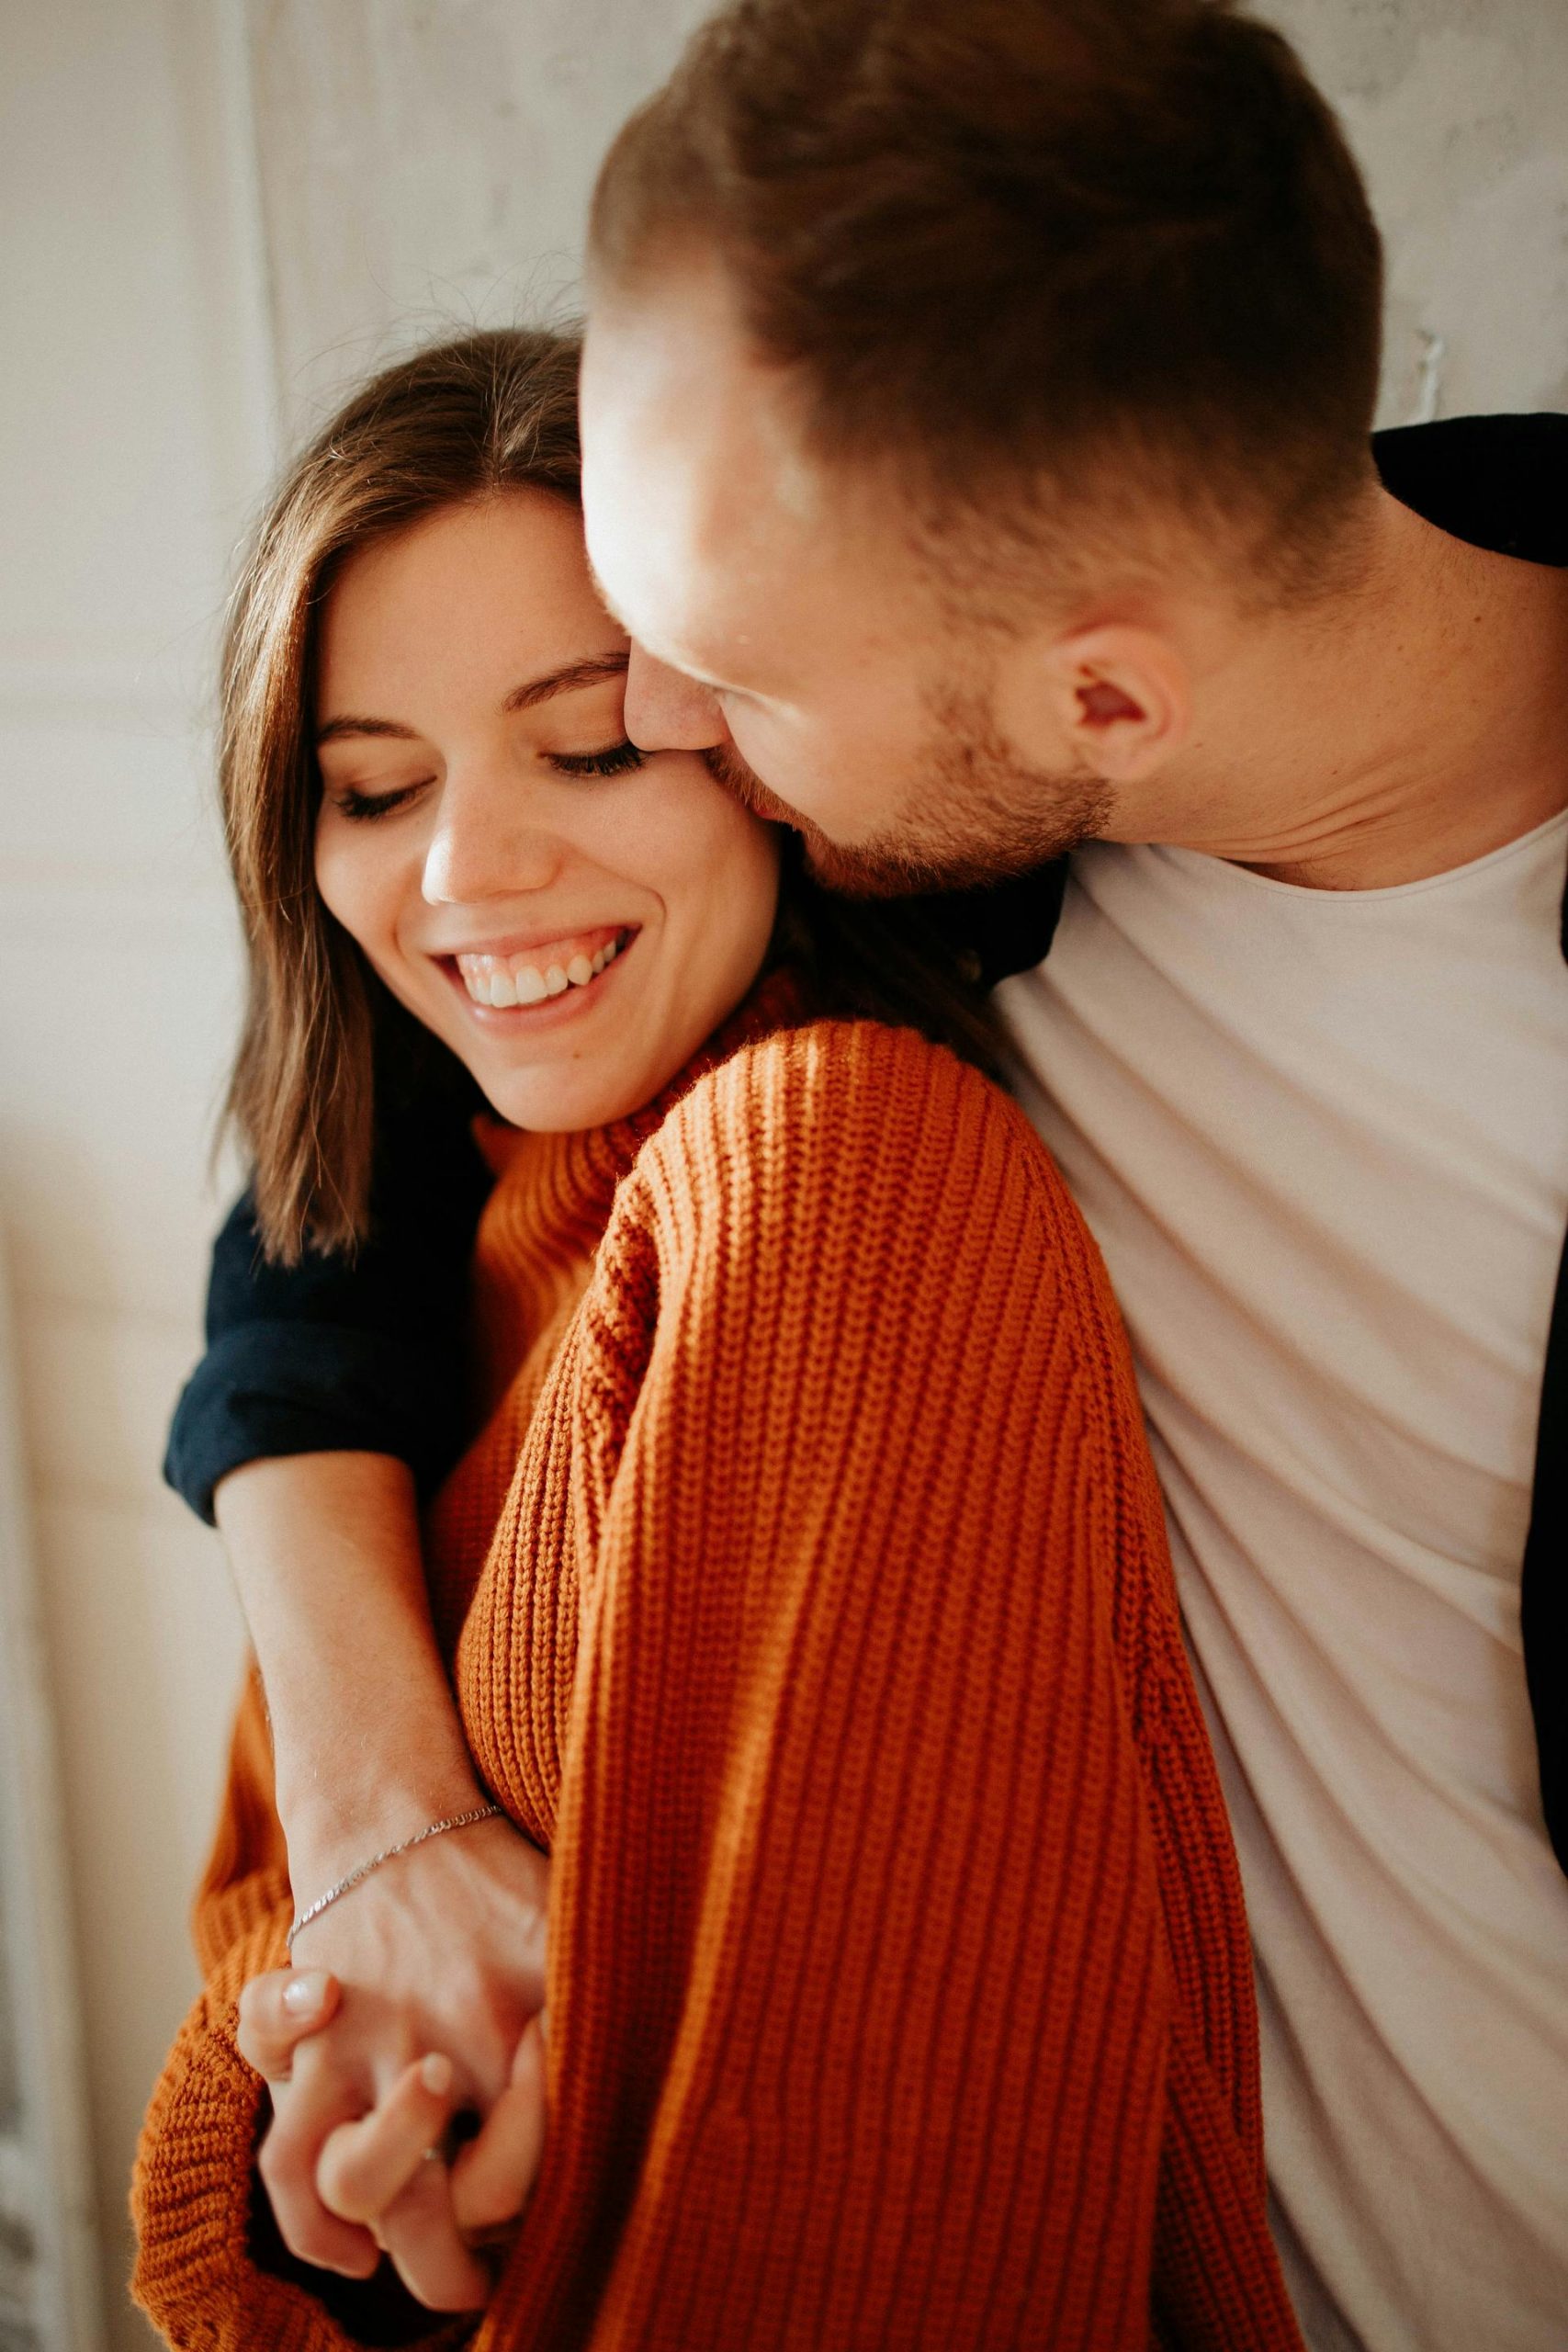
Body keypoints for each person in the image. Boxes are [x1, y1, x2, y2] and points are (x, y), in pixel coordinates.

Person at [168, 3, 1568, 2346]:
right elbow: (344, 1169)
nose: (685, 741)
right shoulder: (920, 810)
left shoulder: (958, 782)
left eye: (673, 692)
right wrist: (378, 1806)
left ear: (1102, 704)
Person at [133, 325, 1301, 2350]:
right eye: (370, 786)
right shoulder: (438, 1235)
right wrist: (355, 1999)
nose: (462, 871)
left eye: (589, 744)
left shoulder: (833, 1170)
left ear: (761, 733)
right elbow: (243, 2068)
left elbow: (864, 2216)